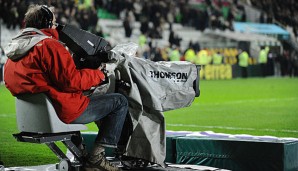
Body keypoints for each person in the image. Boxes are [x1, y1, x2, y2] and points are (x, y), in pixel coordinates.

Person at [4, 5, 128, 171]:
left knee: (83, 96)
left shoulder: (14, 52)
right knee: (119, 102)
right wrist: (99, 74)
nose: (56, 27)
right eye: (54, 23)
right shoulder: (49, 46)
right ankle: (96, 157)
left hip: (39, 114)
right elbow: (71, 81)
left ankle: (81, 151)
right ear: (47, 24)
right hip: (62, 110)